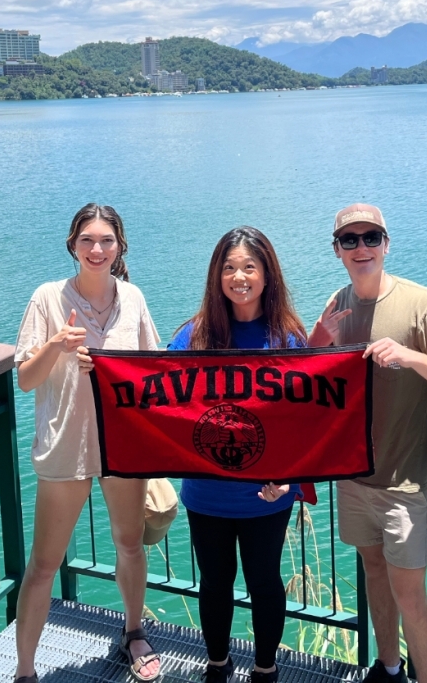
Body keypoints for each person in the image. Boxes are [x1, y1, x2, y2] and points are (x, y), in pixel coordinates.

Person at [309, 204, 427, 683]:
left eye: (371, 237)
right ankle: (389, 668)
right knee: (374, 575)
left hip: (405, 483)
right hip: (354, 477)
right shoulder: (336, 304)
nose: (362, 248)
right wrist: (319, 339)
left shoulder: (421, 303)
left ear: (386, 243)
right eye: (350, 240)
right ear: (338, 250)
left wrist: (409, 355)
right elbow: (312, 383)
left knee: (409, 593)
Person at [14, 203, 161, 683]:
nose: (96, 250)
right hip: (65, 448)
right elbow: (26, 380)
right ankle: (26, 670)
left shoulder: (133, 298)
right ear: (72, 246)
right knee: (43, 564)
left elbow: (153, 373)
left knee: (129, 546)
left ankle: (134, 631)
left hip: (122, 446)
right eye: (87, 241)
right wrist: (56, 346)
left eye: (106, 241)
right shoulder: (47, 298)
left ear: (119, 247)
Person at [168, 226, 307, 683]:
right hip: (206, 493)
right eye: (229, 268)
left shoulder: (287, 339)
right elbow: (159, 401)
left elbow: (307, 420)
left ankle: (266, 669)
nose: (239, 277)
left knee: (265, 582)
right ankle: (217, 666)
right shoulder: (193, 335)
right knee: (215, 583)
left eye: (249, 267)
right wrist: (100, 370)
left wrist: (290, 477)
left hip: (267, 495)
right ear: (216, 276)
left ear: (267, 274)